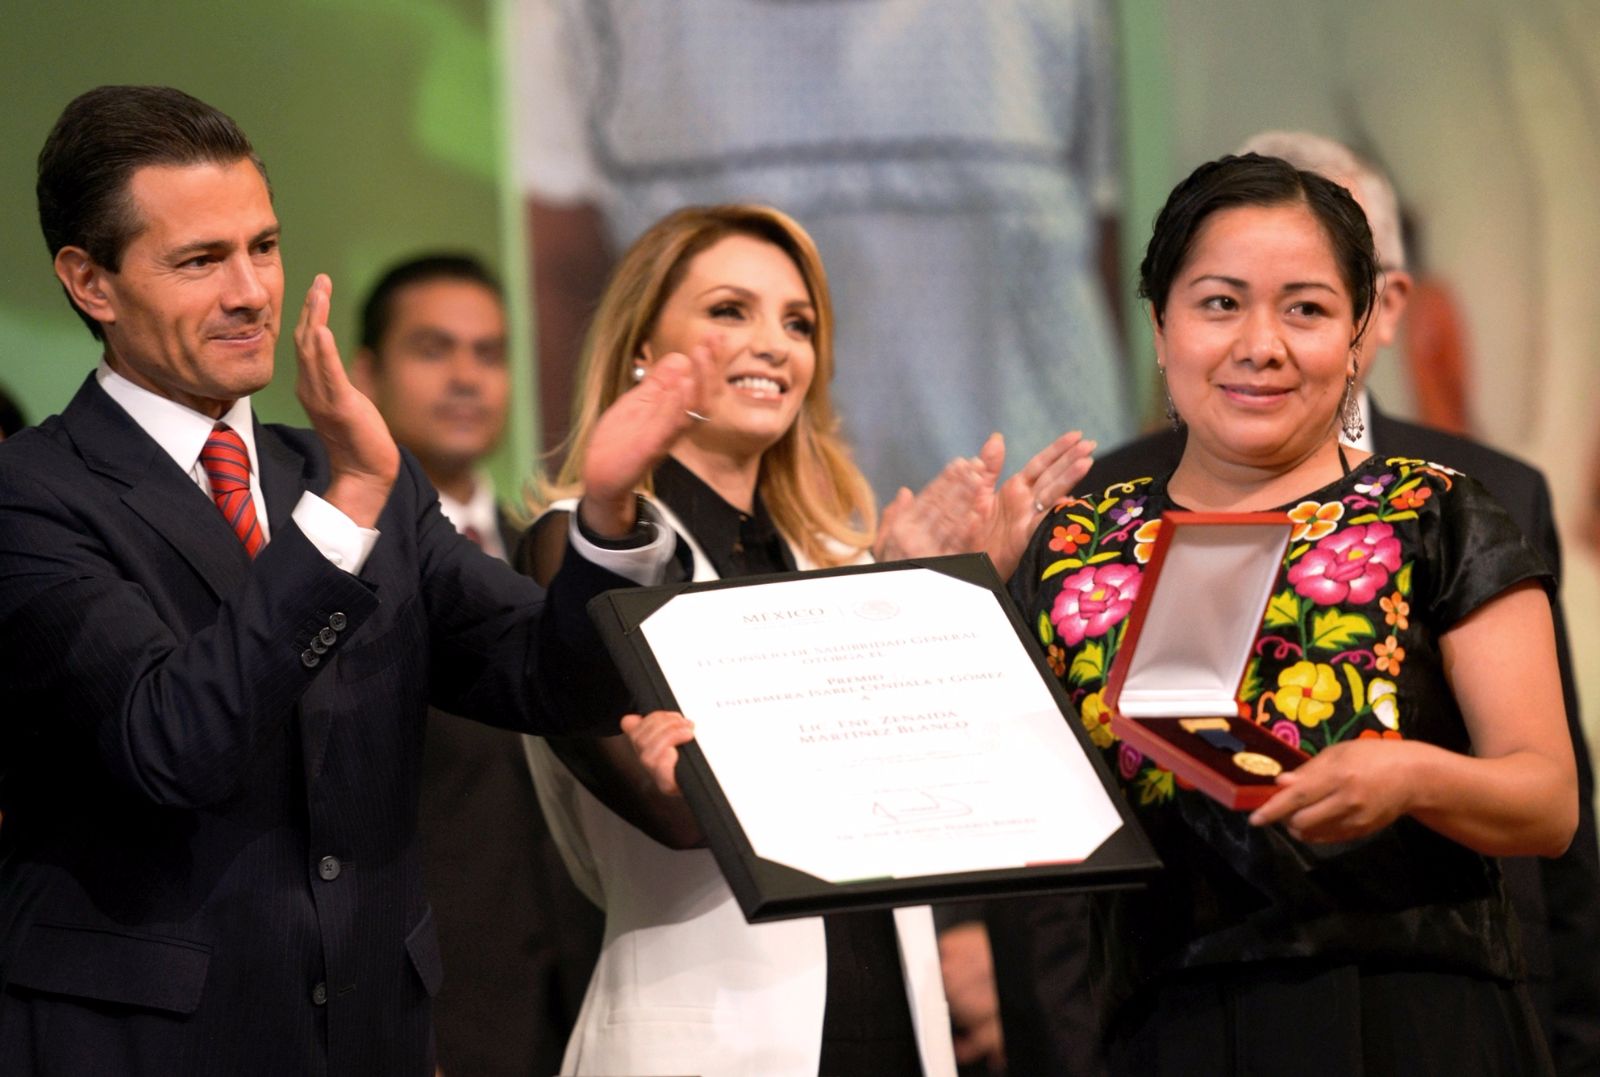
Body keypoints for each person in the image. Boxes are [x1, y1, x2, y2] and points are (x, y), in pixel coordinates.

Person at [0, 85, 704, 1074]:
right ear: (90, 282)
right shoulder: (31, 493)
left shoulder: (354, 476)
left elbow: (555, 681)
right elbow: (172, 742)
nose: (250, 290)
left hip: (370, 1031)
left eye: (264, 246)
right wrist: (344, 512)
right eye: (200, 260)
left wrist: (611, 519)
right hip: (140, 1044)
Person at [988, 132, 1600, 1075]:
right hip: (1164, 1030)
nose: (1260, 346)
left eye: (1306, 309)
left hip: (1414, 1022)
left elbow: (1548, 799)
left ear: (1358, 336)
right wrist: (950, 591)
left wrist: (1411, 779)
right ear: (1160, 326)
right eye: (1220, 304)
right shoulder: (1077, 546)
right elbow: (1005, 816)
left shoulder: (1435, 514)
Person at [519, 203, 1094, 1076]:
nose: (773, 343)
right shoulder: (579, 544)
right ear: (642, 345)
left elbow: (934, 796)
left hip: (898, 1034)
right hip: (703, 1039)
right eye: (728, 311)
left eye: (799, 323)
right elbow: (672, 812)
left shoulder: (838, 562)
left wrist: (940, 610)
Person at [510, 0, 1131, 494]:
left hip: (1049, 549)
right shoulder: (588, 15)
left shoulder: (1061, 14)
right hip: (733, 568)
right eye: (732, 309)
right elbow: (561, 285)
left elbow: (1134, 266)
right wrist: (589, 532)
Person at [351, 254, 602, 1076]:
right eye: (435, 349)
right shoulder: (327, 565)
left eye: (490, 353)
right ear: (365, 374)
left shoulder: (557, 552)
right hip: (425, 1012)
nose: (467, 377)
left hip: (591, 1000)